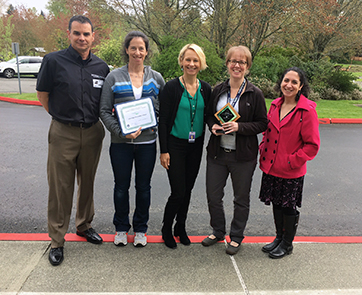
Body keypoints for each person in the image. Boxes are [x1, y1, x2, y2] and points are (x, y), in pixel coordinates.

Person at [36, 15, 110, 266]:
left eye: (86, 34)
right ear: (69, 34)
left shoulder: (101, 67)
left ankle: (83, 225)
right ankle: (57, 240)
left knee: (87, 182)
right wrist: (61, 119)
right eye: (77, 33)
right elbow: (43, 95)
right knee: (60, 188)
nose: (82, 38)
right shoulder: (53, 61)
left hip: (92, 132)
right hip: (63, 131)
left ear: (93, 36)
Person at [100, 31, 165, 248]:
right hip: (121, 144)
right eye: (133, 48)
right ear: (126, 50)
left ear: (147, 52)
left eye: (141, 48)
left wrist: (153, 123)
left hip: (147, 144)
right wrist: (120, 131)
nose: (137, 52)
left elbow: (163, 110)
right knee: (121, 187)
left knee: (143, 187)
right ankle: (120, 228)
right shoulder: (114, 77)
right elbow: (104, 110)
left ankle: (140, 229)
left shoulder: (156, 78)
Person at [202, 46, 268, 255]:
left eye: (242, 62)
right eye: (233, 61)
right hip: (218, 153)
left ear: (247, 67)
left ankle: (237, 236)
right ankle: (218, 231)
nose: (237, 65)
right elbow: (209, 115)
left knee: (241, 198)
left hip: (243, 157)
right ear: (227, 64)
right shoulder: (218, 90)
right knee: (213, 196)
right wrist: (212, 125)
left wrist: (240, 127)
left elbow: (262, 123)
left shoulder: (254, 93)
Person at [259, 67, 320, 259]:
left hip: (290, 169)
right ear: (281, 83)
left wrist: (292, 160)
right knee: (276, 204)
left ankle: (287, 244)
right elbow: (267, 132)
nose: (289, 85)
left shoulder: (306, 110)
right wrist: (262, 148)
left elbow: (312, 145)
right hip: (271, 167)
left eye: (294, 82)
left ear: (301, 86)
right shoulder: (275, 105)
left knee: (288, 207)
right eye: (286, 80)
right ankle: (278, 238)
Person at [159, 44, 211, 249]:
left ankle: (180, 227)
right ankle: (166, 229)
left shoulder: (205, 88)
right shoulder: (171, 88)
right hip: (175, 145)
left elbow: (208, 116)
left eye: (195, 60)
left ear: (201, 63)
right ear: (181, 61)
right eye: (188, 59)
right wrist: (163, 150)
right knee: (178, 191)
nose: (191, 64)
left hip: (195, 145)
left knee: (188, 190)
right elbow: (163, 121)